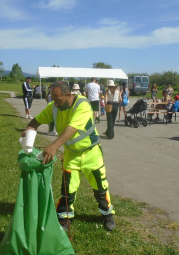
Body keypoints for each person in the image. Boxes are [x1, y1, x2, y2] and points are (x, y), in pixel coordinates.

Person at [22, 81, 115, 231]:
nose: (56, 104)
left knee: (100, 187)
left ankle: (107, 214)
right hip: (72, 155)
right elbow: (37, 120)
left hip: (92, 154)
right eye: (53, 99)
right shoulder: (54, 107)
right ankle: (65, 218)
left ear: (69, 95)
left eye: (58, 100)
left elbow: (72, 128)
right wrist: (30, 128)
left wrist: (54, 146)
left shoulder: (83, 105)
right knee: (67, 189)